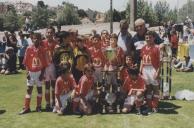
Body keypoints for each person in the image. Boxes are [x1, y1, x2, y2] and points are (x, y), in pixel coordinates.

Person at [19, 33, 48, 115]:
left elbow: (45, 63)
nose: (36, 40)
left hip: (39, 73)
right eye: (35, 38)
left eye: (38, 38)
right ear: (32, 39)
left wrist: (42, 74)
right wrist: (27, 72)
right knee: (29, 89)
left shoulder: (43, 49)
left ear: (40, 39)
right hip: (31, 73)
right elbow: (26, 62)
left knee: (39, 89)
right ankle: (26, 107)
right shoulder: (29, 48)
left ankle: (38, 106)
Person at [140, 31, 161, 113]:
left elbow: (160, 62)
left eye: (150, 37)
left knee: (155, 89)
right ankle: (149, 106)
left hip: (153, 69)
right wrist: (140, 70)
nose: (148, 39)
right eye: (146, 38)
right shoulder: (143, 47)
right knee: (148, 89)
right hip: (145, 70)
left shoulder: (157, 47)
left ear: (154, 38)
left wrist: (158, 72)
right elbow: (142, 60)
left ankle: (155, 106)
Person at [42, 26, 58, 111]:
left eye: (51, 32)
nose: (49, 34)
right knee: (47, 86)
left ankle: (54, 102)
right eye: (48, 32)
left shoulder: (56, 43)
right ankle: (48, 103)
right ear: (46, 33)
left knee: (54, 85)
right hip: (46, 67)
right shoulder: (42, 43)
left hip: (54, 66)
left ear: (53, 33)